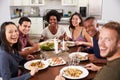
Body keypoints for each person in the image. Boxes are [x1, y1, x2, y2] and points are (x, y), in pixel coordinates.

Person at [55, 21, 120, 80]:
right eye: (101, 38)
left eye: (108, 39)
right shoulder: (113, 65)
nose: (101, 43)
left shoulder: (109, 72)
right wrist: (99, 68)